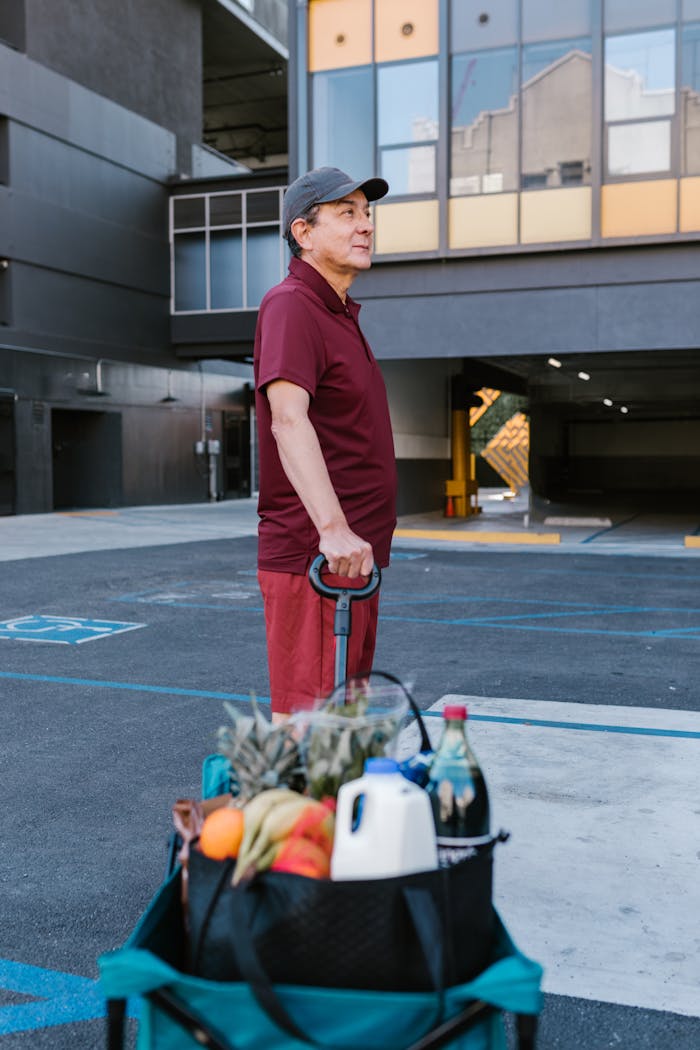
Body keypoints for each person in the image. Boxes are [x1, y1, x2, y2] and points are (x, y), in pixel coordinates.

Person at [254, 166, 398, 722]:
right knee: (309, 729)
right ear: (304, 232)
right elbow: (288, 421)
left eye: (366, 213)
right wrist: (333, 529)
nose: (364, 226)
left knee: (341, 728)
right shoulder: (292, 304)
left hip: (352, 560)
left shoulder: (339, 314)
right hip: (316, 557)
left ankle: (332, 811)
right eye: (346, 213)